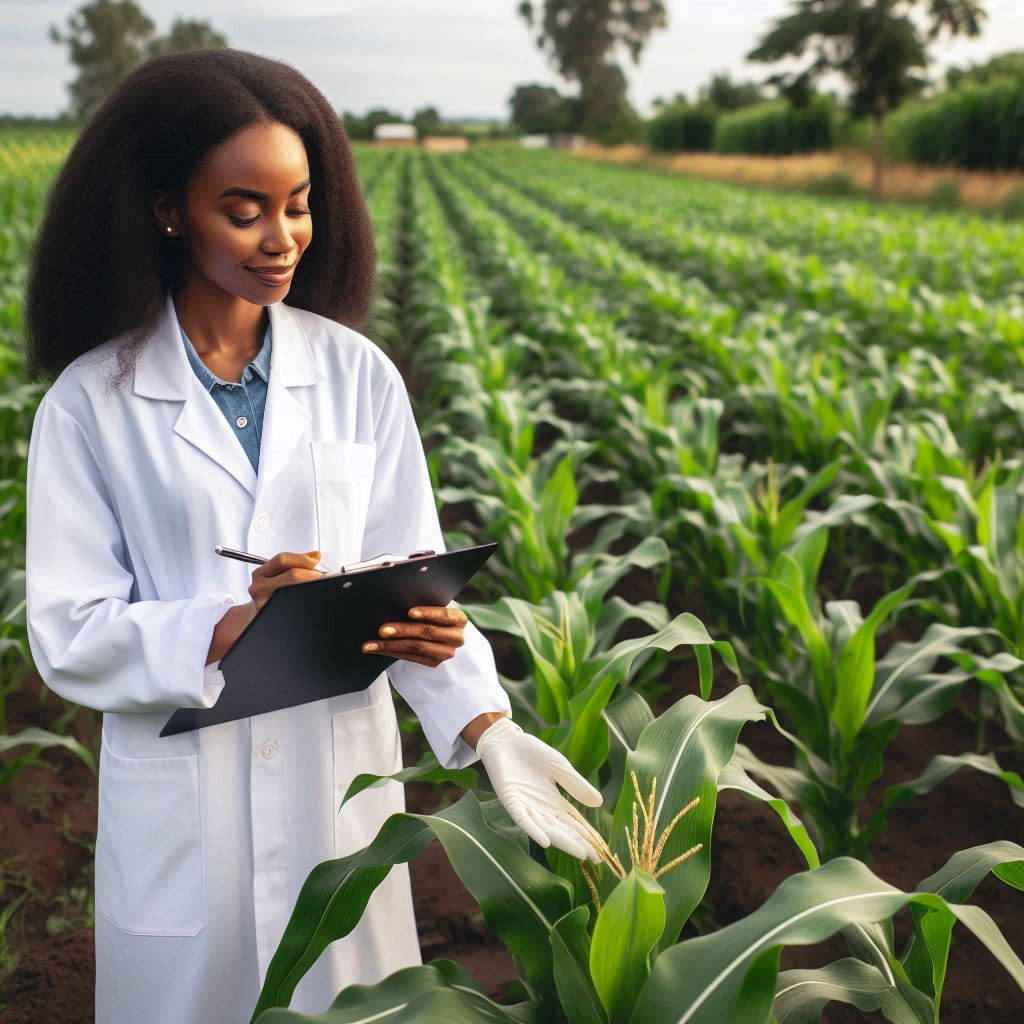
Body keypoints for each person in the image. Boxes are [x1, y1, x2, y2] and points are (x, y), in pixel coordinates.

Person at [22, 49, 602, 1024]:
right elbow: (67, 629)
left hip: (338, 800)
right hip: (183, 814)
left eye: (298, 204)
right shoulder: (92, 403)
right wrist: (225, 626)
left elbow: (407, 585)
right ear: (168, 209)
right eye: (243, 209)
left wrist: (485, 725)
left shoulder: (357, 376)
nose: (281, 237)